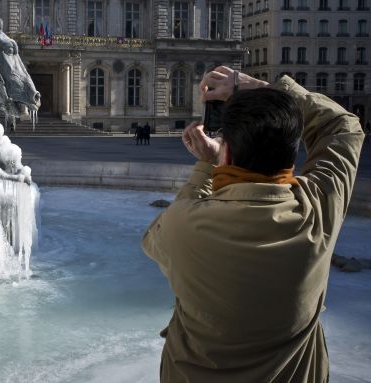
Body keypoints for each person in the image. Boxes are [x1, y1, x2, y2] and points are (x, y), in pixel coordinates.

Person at [141, 66, 364, 382]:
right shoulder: (317, 210)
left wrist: (207, 167)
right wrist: (270, 89)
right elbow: (343, 127)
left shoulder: (184, 222)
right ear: (293, 155)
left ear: (227, 151)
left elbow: (153, 241)